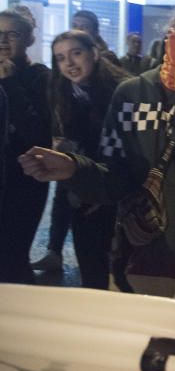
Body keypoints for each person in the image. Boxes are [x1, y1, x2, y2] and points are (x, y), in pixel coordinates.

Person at [19, 0, 175, 303]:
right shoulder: (131, 95)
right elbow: (115, 179)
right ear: (167, 34)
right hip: (137, 265)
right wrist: (73, 169)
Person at [38, 31, 131, 288]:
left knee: (122, 272)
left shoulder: (123, 92)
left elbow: (130, 151)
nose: (69, 63)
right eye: (60, 58)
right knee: (91, 271)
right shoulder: (63, 93)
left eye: (76, 53)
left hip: (119, 194)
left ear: (95, 52)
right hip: (82, 192)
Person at [0, 9, 52, 284]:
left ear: (30, 39)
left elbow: (38, 134)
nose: (4, 40)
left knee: (12, 256)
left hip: (23, 182)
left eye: (13, 34)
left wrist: (9, 82)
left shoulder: (40, 77)